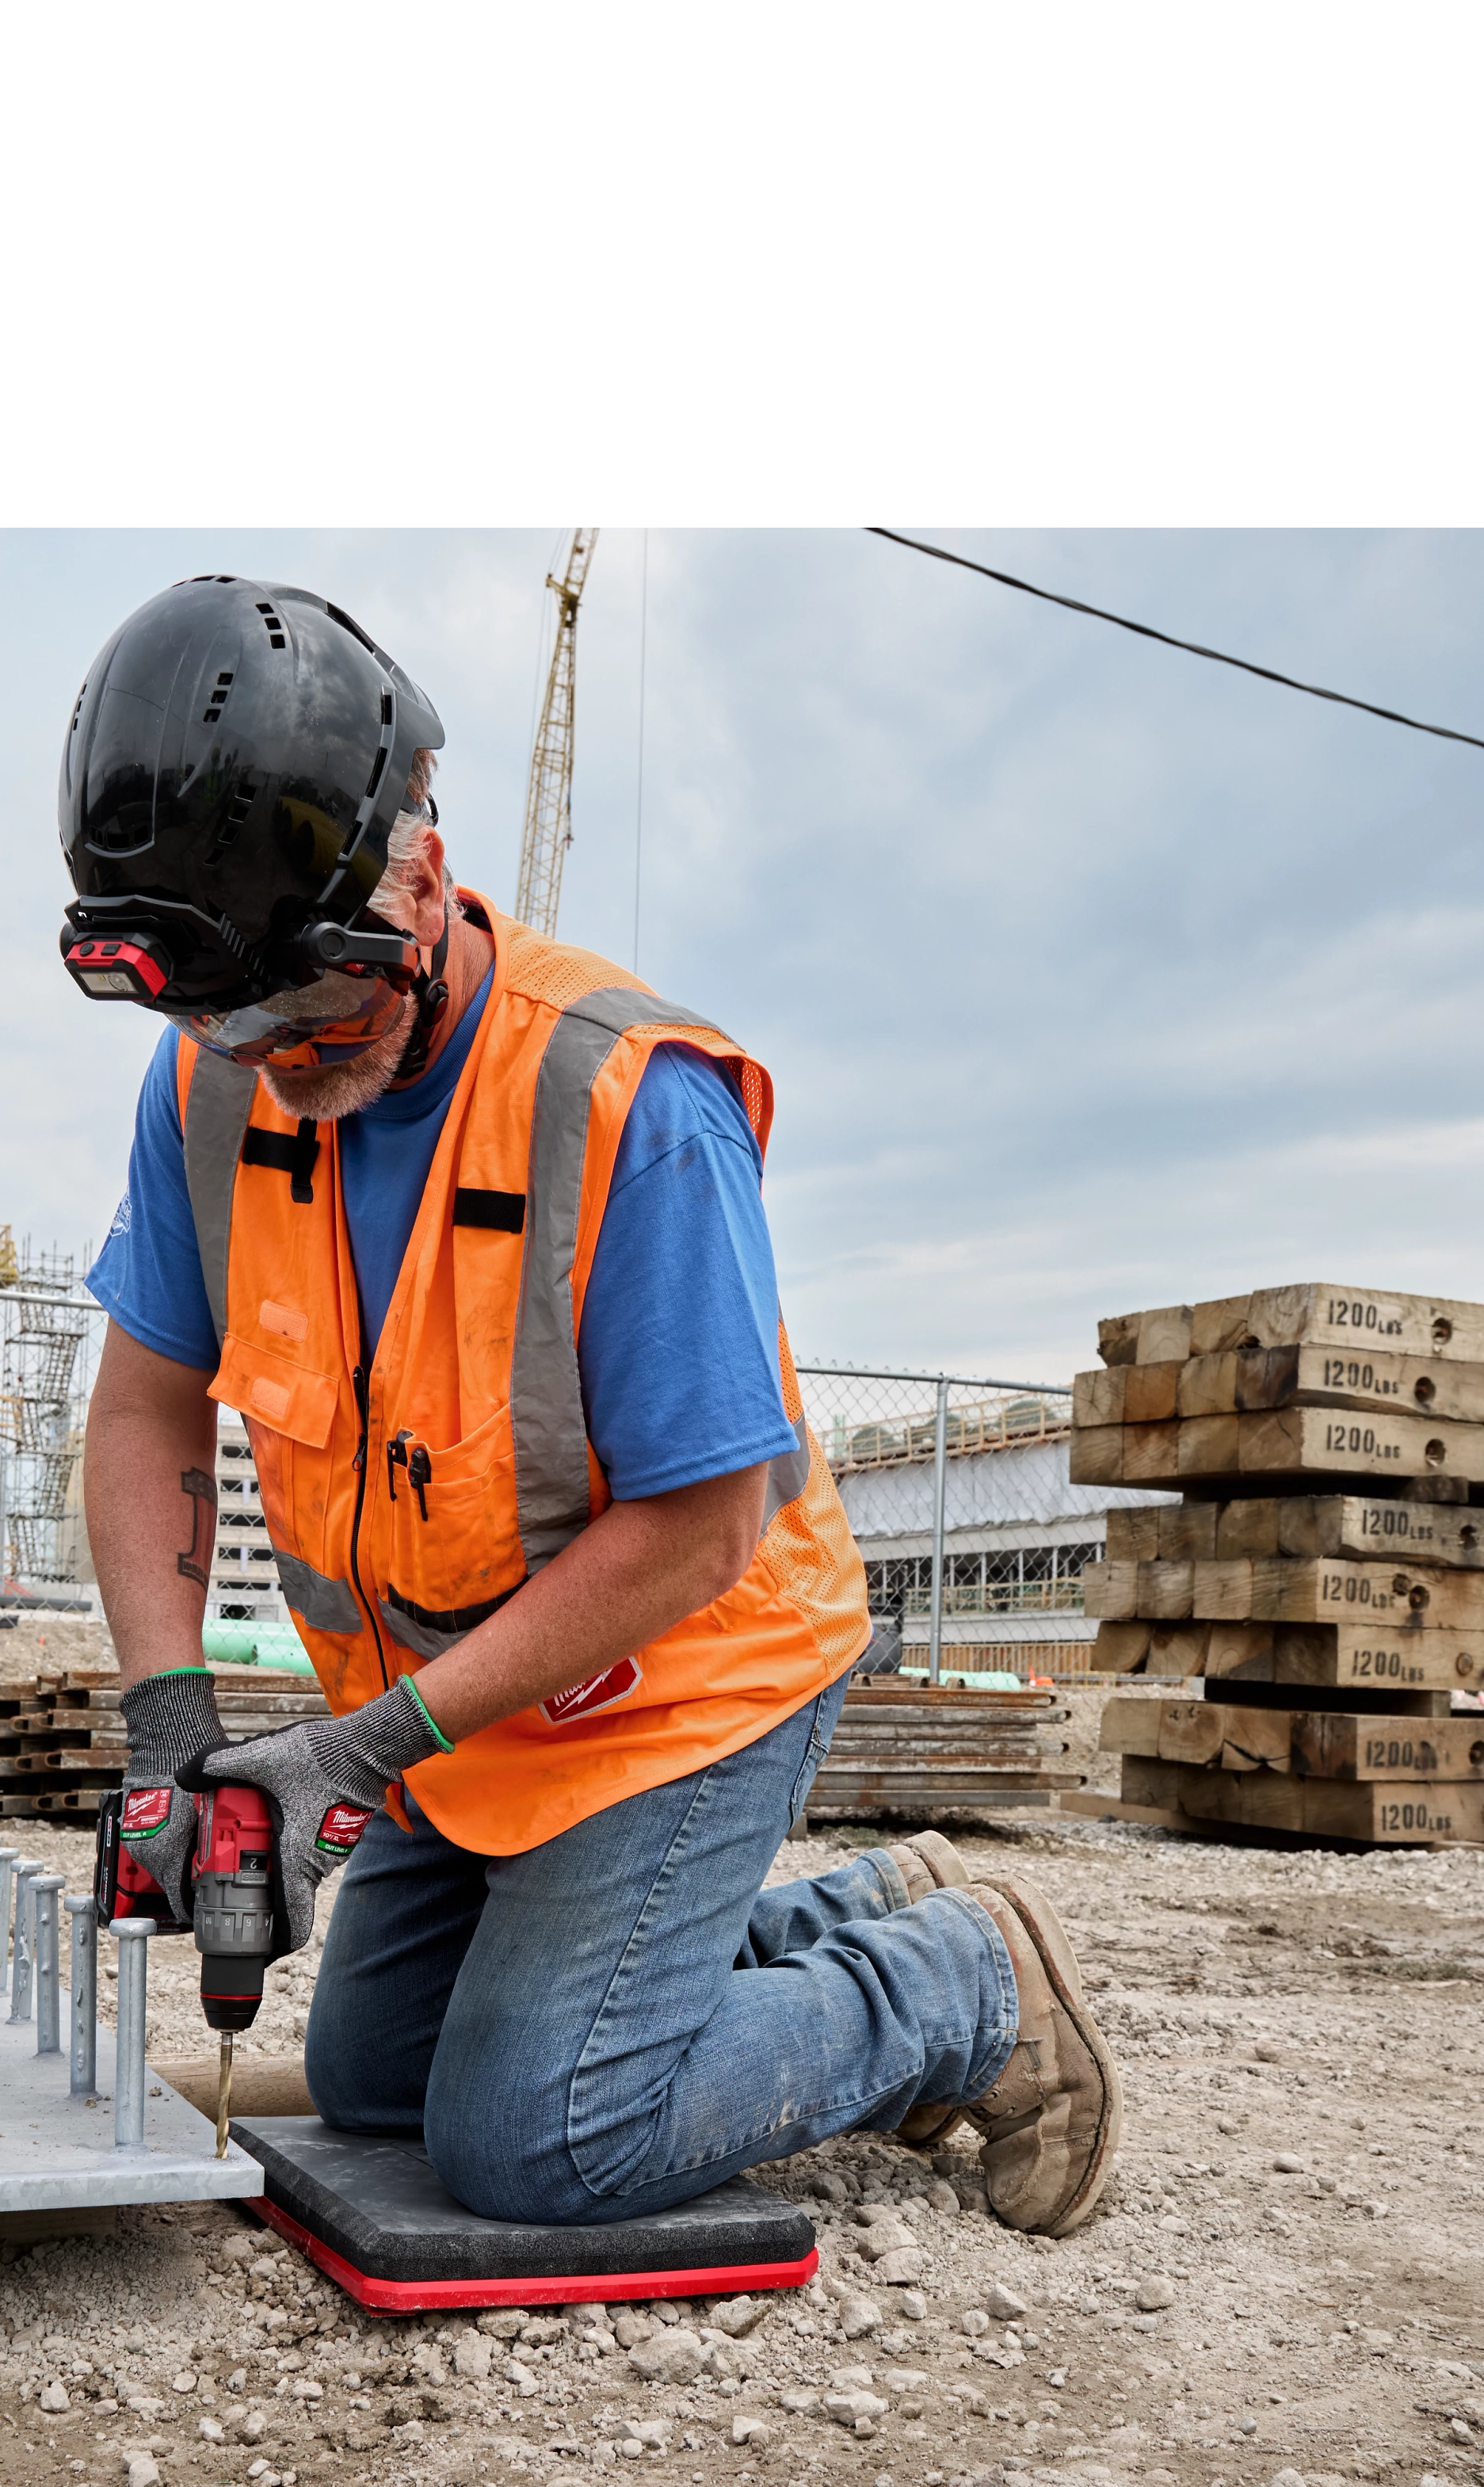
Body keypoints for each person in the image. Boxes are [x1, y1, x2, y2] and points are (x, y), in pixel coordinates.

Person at [63, 574, 1116, 2233]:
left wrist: (367, 1743)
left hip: (684, 1675)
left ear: (419, 870)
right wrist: (170, 1724)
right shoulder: (218, 1081)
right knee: (376, 2082)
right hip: (476, 1703)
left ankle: (961, 1985)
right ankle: (855, 1911)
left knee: (533, 2135)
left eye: (313, 1008)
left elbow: (702, 1530)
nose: (279, 1058)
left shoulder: (624, 1103)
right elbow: (141, 1414)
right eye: (236, 1018)